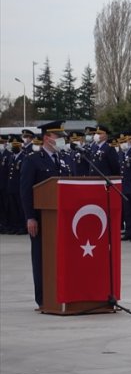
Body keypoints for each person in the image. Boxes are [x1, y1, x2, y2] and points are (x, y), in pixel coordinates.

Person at [20, 120, 71, 308]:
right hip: (42, 220)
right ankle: (43, 298)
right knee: (41, 259)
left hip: (63, 218)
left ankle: (61, 293)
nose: (62, 141)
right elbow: (25, 191)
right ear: (47, 138)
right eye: (59, 137)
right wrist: (30, 217)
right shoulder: (32, 160)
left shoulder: (64, 159)